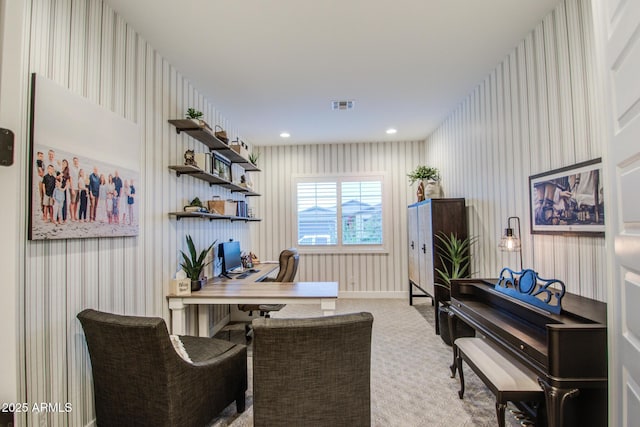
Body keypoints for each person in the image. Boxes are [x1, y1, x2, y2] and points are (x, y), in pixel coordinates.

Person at [59, 159, 71, 223]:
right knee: (58, 203)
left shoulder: (67, 172)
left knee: (64, 203)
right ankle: (58, 218)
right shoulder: (60, 170)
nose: (64, 164)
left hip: (64, 189)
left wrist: (64, 189)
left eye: (65, 163)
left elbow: (68, 182)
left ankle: (64, 218)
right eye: (63, 162)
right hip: (59, 188)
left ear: (67, 164)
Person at [69, 157, 80, 221]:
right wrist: (72, 189)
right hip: (73, 187)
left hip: (78, 188)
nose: (76, 162)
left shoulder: (78, 168)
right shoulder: (71, 168)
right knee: (72, 202)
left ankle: (75, 215)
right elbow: (70, 179)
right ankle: (72, 216)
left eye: (76, 161)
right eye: (74, 161)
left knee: (76, 202)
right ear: (73, 161)